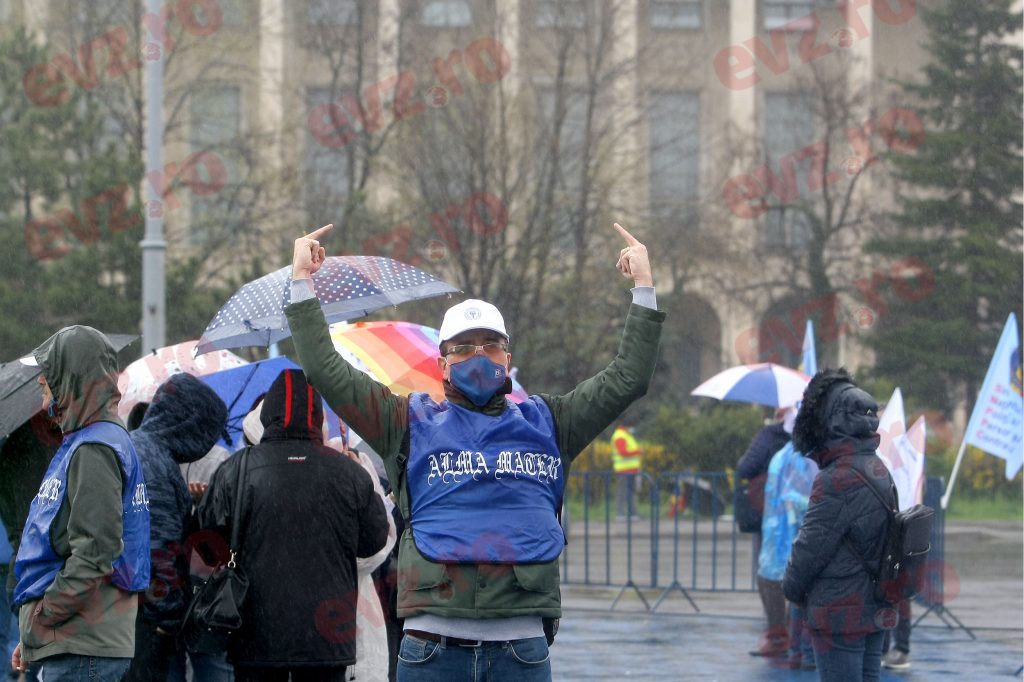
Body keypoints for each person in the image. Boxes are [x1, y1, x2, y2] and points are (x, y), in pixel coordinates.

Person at [283, 221, 664, 682]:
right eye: (462, 348)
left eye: (490, 345)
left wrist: (644, 287)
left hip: (520, 649)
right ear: (442, 364)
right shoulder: (403, 423)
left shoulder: (551, 421)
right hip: (431, 650)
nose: (477, 355)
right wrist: (301, 282)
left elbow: (628, 377)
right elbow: (325, 369)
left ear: (508, 357)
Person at [196, 369, 390, 682]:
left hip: (254, 637)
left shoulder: (236, 469)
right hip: (327, 638)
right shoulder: (349, 472)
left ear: (267, 414)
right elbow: (373, 542)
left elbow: (206, 545)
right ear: (317, 416)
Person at [10, 326, 151, 680]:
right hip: (77, 644)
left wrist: (44, 616)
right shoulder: (92, 441)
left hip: (82, 646)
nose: (41, 381)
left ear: (71, 377)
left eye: (50, 371)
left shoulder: (94, 449)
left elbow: (96, 551)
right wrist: (35, 637)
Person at [783, 368, 896, 682]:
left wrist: (790, 588)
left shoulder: (836, 478)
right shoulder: (877, 466)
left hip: (839, 612)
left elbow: (812, 547)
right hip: (873, 605)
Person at [124, 373, 228, 682]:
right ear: (189, 425)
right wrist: (166, 621)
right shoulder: (154, 464)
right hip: (144, 623)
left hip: (125, 613)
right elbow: (159, 548)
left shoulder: (137, 448)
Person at [756, 438, 818, 671]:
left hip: (786, 539)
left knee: (796, 596)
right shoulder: (804, 458)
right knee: (803, 596)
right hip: (801, 538)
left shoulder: (782, 457)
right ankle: (804, 652)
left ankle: (795, 650)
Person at [737, 407, 794, 657]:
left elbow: (745, 466)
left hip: (772, 517)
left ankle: (778, 633)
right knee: (802, 575)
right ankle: (796, 632)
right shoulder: (817, 436)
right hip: (805, 517)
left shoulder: (769, 436)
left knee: (768, 575)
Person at [610, 424, 642, 520]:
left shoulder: (626, 435)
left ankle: (633, 514)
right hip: (624, 470)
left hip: (631, 470)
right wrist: (638, 451)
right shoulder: (620, 436)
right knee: (623, 491)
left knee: (631, 492)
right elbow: (623, 452)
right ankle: (620, 514)